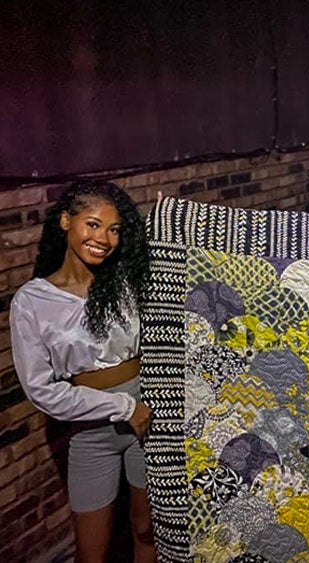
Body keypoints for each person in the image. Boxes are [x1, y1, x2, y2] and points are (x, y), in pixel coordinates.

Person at [9, 181, 156, 563]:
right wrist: (125, 408)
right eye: (92, 224)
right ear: (64, 221)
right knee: (92, 552)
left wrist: (166, 219)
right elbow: (41, 390)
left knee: (148, 531)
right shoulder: (33, 301)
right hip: (94, 433)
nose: (103, 238)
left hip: (151, 418)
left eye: (114, 229)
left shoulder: (125, 280)